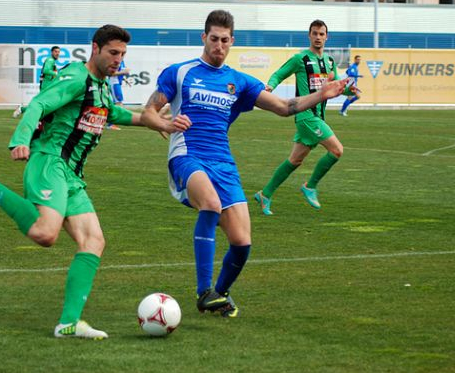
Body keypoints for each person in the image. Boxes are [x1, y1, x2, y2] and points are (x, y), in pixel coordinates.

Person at [0, 25, 191, 339]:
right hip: (49, 161)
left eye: (122, 54)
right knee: (45, 234)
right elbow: (38, 104)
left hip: (73, 175)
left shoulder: (102, 87)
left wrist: (162, 122)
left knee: (94, 242)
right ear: (95, 49)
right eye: (113, 53)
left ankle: (69, 324)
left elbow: (118, 114)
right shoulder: (76, 77)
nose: (118, 59)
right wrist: (19, 139)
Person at [141, 11, 345, 317]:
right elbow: (148, 112)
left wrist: (322, 93)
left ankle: (220, 295)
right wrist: (165, 124)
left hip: (223, 162)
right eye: (213, 39)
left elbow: (284, 107)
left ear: (231, 41)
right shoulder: (180, 72)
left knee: (242, 242)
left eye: (225, 40)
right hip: (187, 155)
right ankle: (203, 291)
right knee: (210, 204)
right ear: (204, 38)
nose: (219, 46)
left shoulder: (238, 81)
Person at [254, 19, 346, 215]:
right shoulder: (300, 58)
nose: (318, 37)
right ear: (309, 35)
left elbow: (337, 86)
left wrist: (350, 90)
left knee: (294, 161)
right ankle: (310, 186)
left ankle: (265, 194)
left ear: (326, 37)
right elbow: (280, 73)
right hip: (306, 116)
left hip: (318, 116)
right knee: (337, 150)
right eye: (315, 33)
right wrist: (270, 86)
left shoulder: (330, 62)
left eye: (322, 34)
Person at [13, 46, 61, 118]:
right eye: (56, 51)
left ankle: (23, 110)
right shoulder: (50, 60)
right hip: (46, 84)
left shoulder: (52, 61)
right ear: (52, 52)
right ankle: (22, 109)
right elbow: (46, 70)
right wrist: (57, 74)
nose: (57, 53)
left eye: (58, 52)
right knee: (42, 103)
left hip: (49, 84)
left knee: (46, 103)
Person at [105, 60, 131, 130]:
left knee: (118, 103)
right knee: (118, 103)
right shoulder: (116, 61)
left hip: (117, 83)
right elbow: (111, 73)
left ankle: (112, 123)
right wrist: (124, 72)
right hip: (114, 83)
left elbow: (120, 73)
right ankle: (111, 124)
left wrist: (125, 79)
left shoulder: (122, 61)